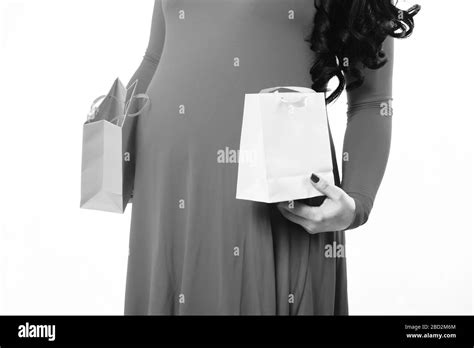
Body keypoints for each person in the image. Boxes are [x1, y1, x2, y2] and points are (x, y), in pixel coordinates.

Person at [123, 0, 420, 315]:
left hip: (266, 186)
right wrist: (117, 137)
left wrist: (359, 201)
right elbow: (155, 57)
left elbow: (371, 101)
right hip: (164, 181)